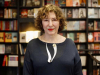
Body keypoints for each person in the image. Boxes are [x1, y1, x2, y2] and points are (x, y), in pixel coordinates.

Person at [23, 4, 83, 75]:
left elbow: (78, 72)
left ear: (60, 22)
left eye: (54, 20)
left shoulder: (70, 44)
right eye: (46, 20)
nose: (50, 24)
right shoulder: (32, 45)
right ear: (41, 23)